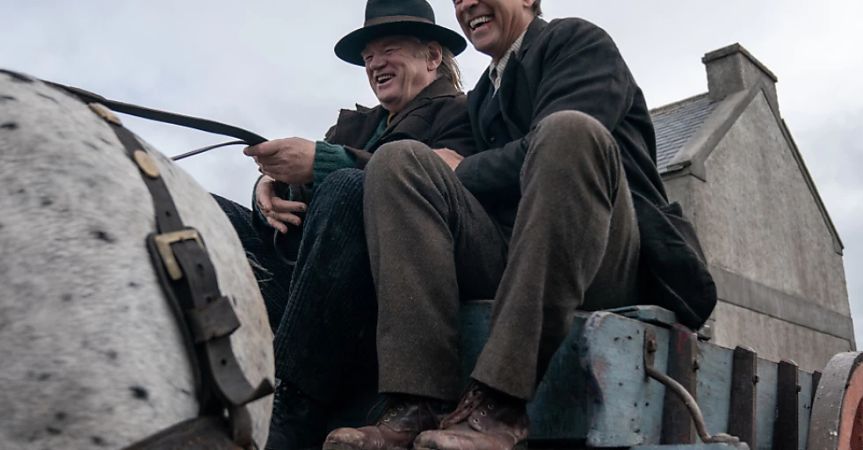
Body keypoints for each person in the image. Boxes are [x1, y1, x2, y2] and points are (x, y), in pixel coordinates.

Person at [323, 1, 716, 450]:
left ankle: (500, 401)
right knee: (398, 161)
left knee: (568, 131)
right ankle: (417, 402)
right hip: (520, 257)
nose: (467, 4)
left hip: (605, 256)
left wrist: (463, 170)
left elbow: (550, 151)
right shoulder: (483, 95)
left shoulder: (577, 42)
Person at [212, 1, 473, 448]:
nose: (375, 64)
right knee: (206, 212)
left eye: (388, 49)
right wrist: (270, 189)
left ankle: (294, 400)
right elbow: (306, 191)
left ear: (432, 56)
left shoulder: (463, 113)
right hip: (306, 283)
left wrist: (323, 163)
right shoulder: (355, 124)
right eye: (368, 57)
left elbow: (437, 181)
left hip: (383, 290)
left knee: (348, 188)